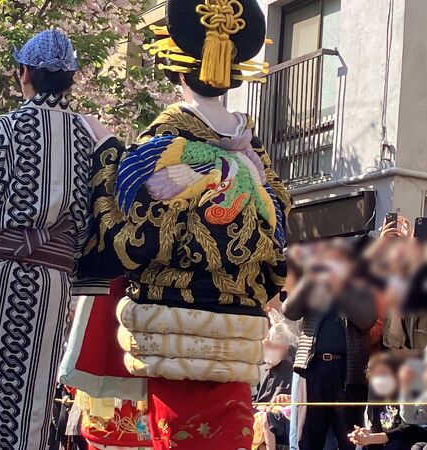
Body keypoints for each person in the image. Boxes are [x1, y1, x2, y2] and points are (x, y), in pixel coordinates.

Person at [74, 1, 290, 448]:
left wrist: (106, 152)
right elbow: (277, 246)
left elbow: (130, 240)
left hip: (175, 332)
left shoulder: (163, 144)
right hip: (238, 334)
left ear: (175, 66)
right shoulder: (257, 160)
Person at [0, 30, 96, 449]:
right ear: (70, 79)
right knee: (32, 390)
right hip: (52, 280)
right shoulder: (87, 138)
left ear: (24, 73)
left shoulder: (3, 129)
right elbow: (92, 211)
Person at [283, 240, 377, 450]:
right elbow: (289, 311)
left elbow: (366, 320)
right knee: (307, 438)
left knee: (348, 439)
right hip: (313, 369)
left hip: (347, 373)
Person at [349, 353, 427, 449]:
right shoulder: (375, 396)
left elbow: (410, 428)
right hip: (387, 439)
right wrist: (365, 435)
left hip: (409, 439)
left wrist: (375, 438)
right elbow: (375, 427)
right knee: (361, 446)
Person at [253, 322, 297, 450]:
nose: (270, 349)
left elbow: (298, 401)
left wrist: (286, 399)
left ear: (286, 347)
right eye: (268, 345)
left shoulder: (294, 371)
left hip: (280, 421)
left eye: (275, 346)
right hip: (259, 416)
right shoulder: (262, 370)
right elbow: (254, 399)